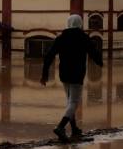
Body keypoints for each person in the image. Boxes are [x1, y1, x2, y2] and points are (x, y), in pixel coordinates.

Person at [41, 13, 103, 141]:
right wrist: (100, 62)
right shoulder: (83, 37)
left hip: (64, 73)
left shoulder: (61, 37)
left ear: (68, 23)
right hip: (77, 73)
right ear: (80, 23)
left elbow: (49, 56)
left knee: (70, 101)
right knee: (74, 102)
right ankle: (60, 127)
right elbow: (93, 52)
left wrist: (44, 74)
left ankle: (74, 129)